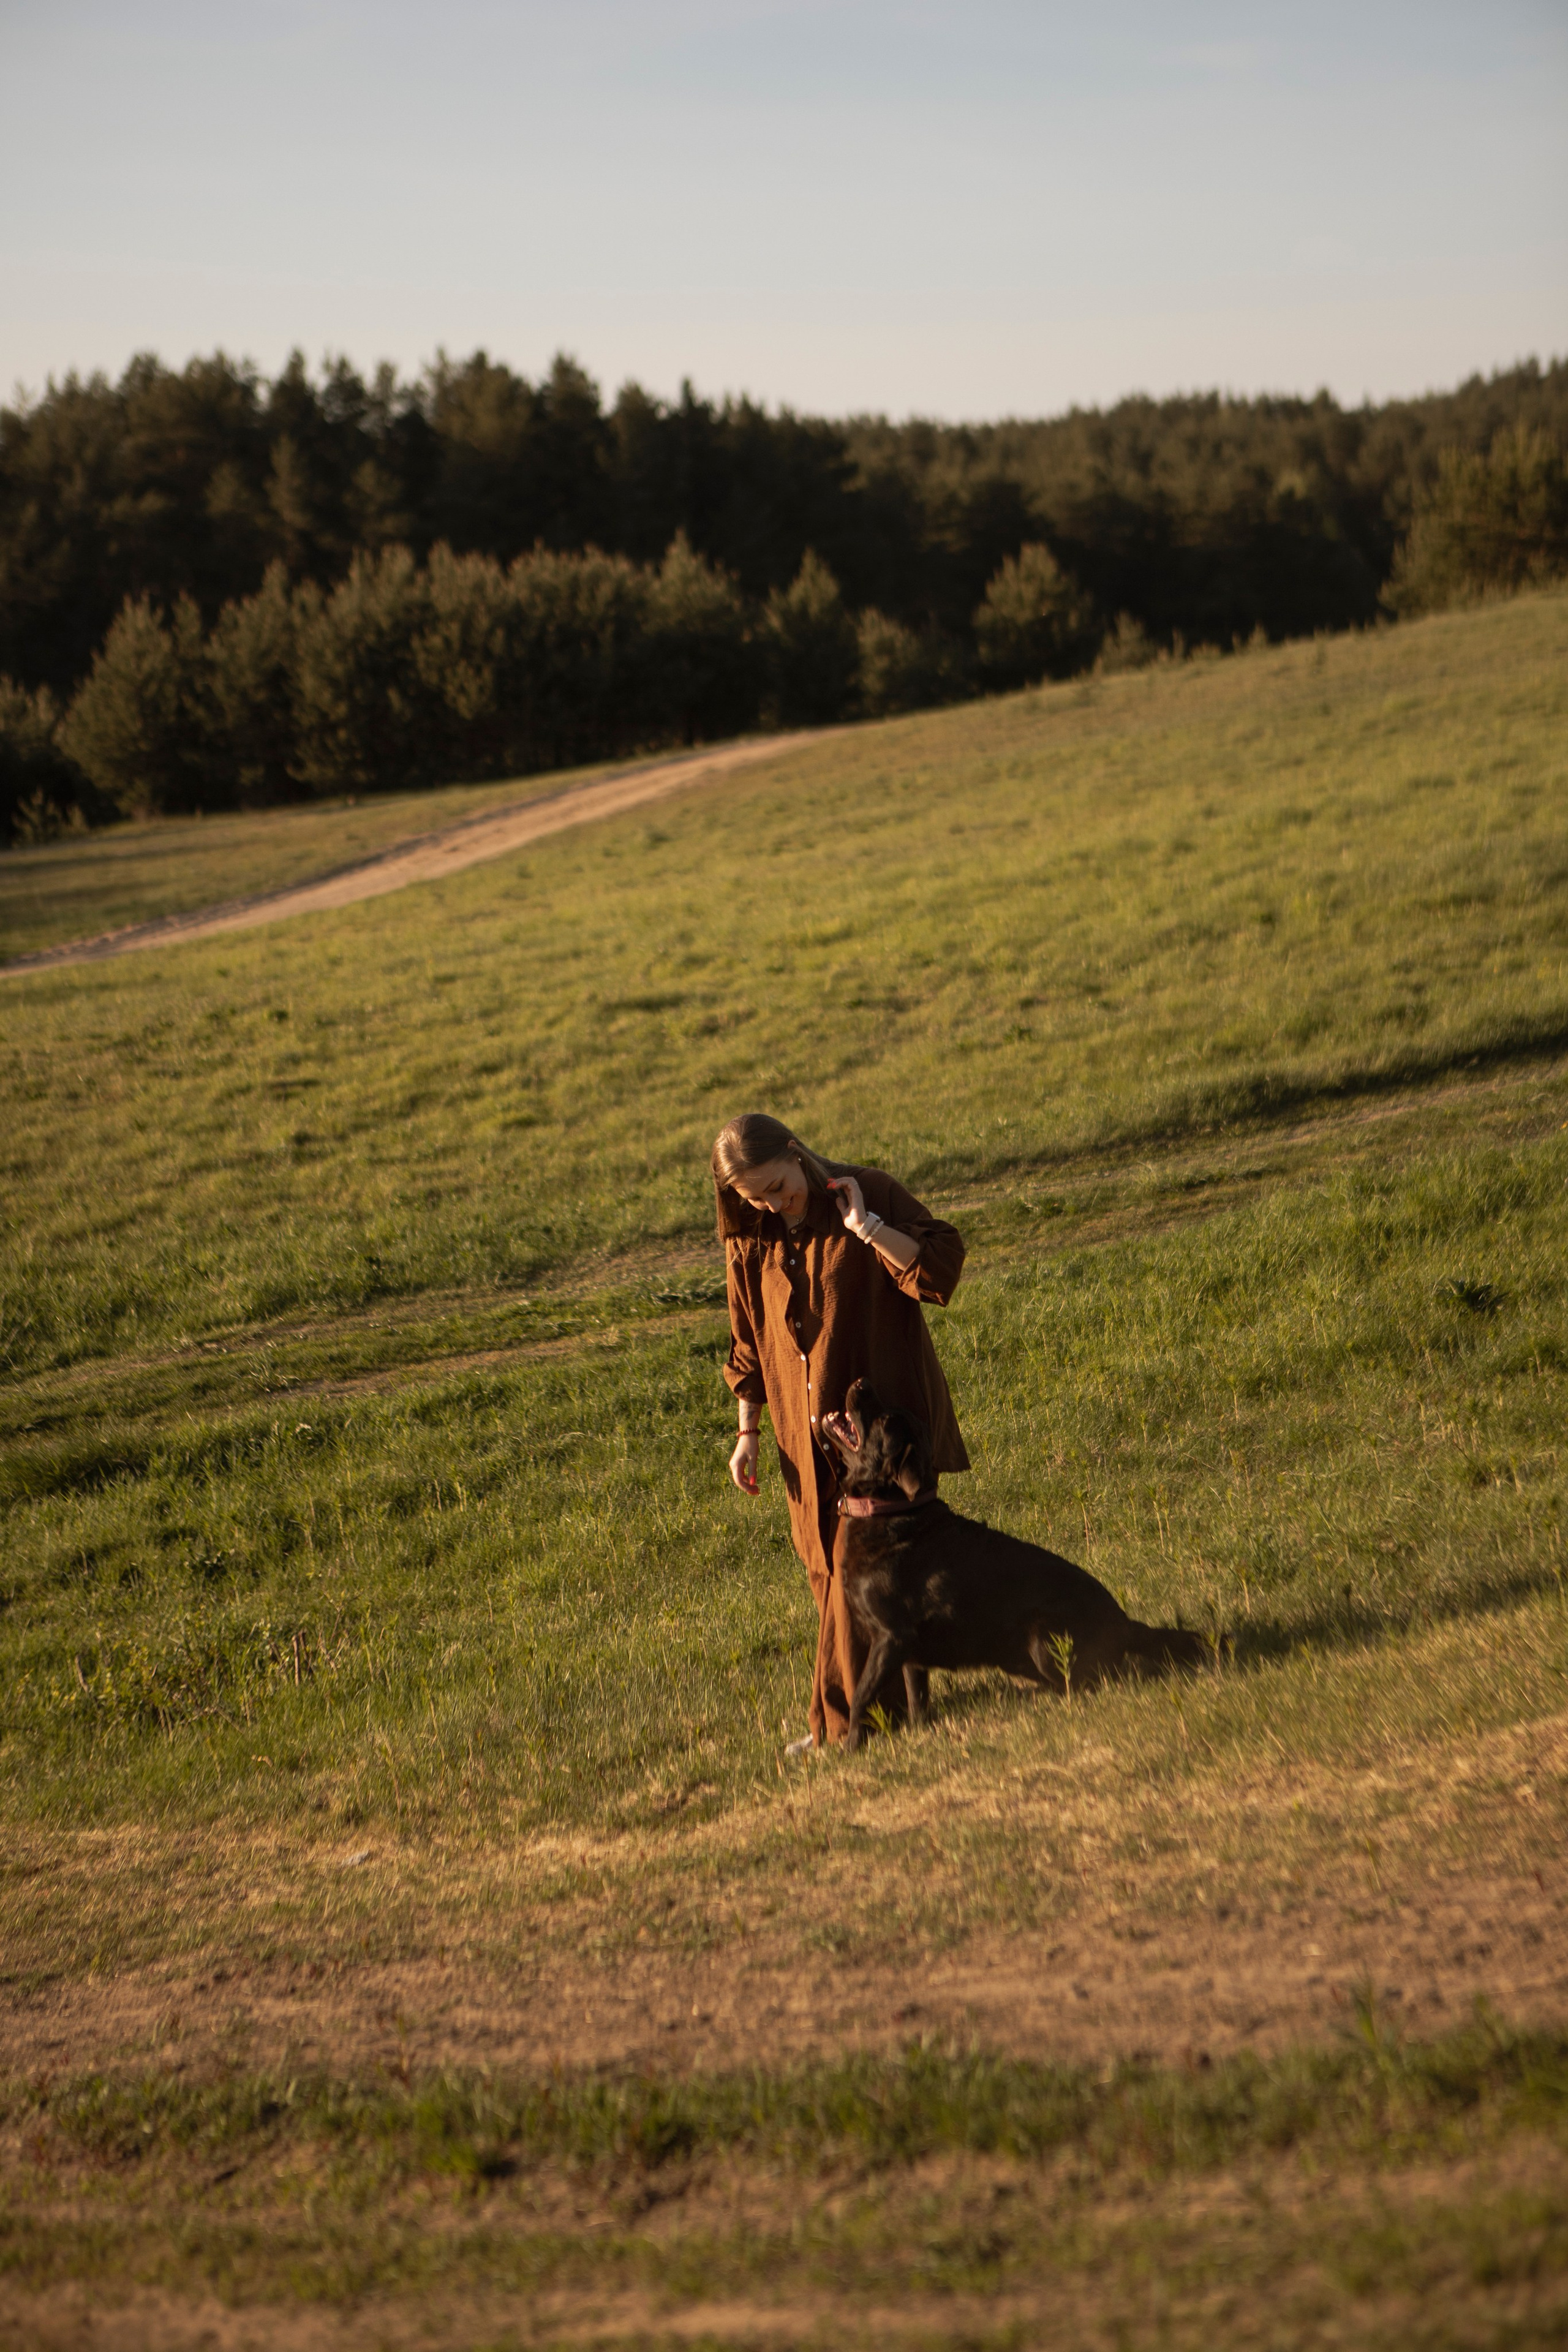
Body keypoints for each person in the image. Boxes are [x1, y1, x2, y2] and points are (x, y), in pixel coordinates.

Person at [712, 1111, 968, 1749]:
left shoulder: (868, 1192)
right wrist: (748, 1433)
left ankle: (843, 1726)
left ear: (796, 1152)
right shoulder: (749, 1237)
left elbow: (939, 1269)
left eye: (777, 1185)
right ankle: (885, 1713)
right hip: (803, 1439)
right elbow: (748, 1342)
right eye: (755, 1197)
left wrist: (868, 1229)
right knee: (829, 1571)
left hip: (879, 1431)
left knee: (863, 1570)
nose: (774, 1203)